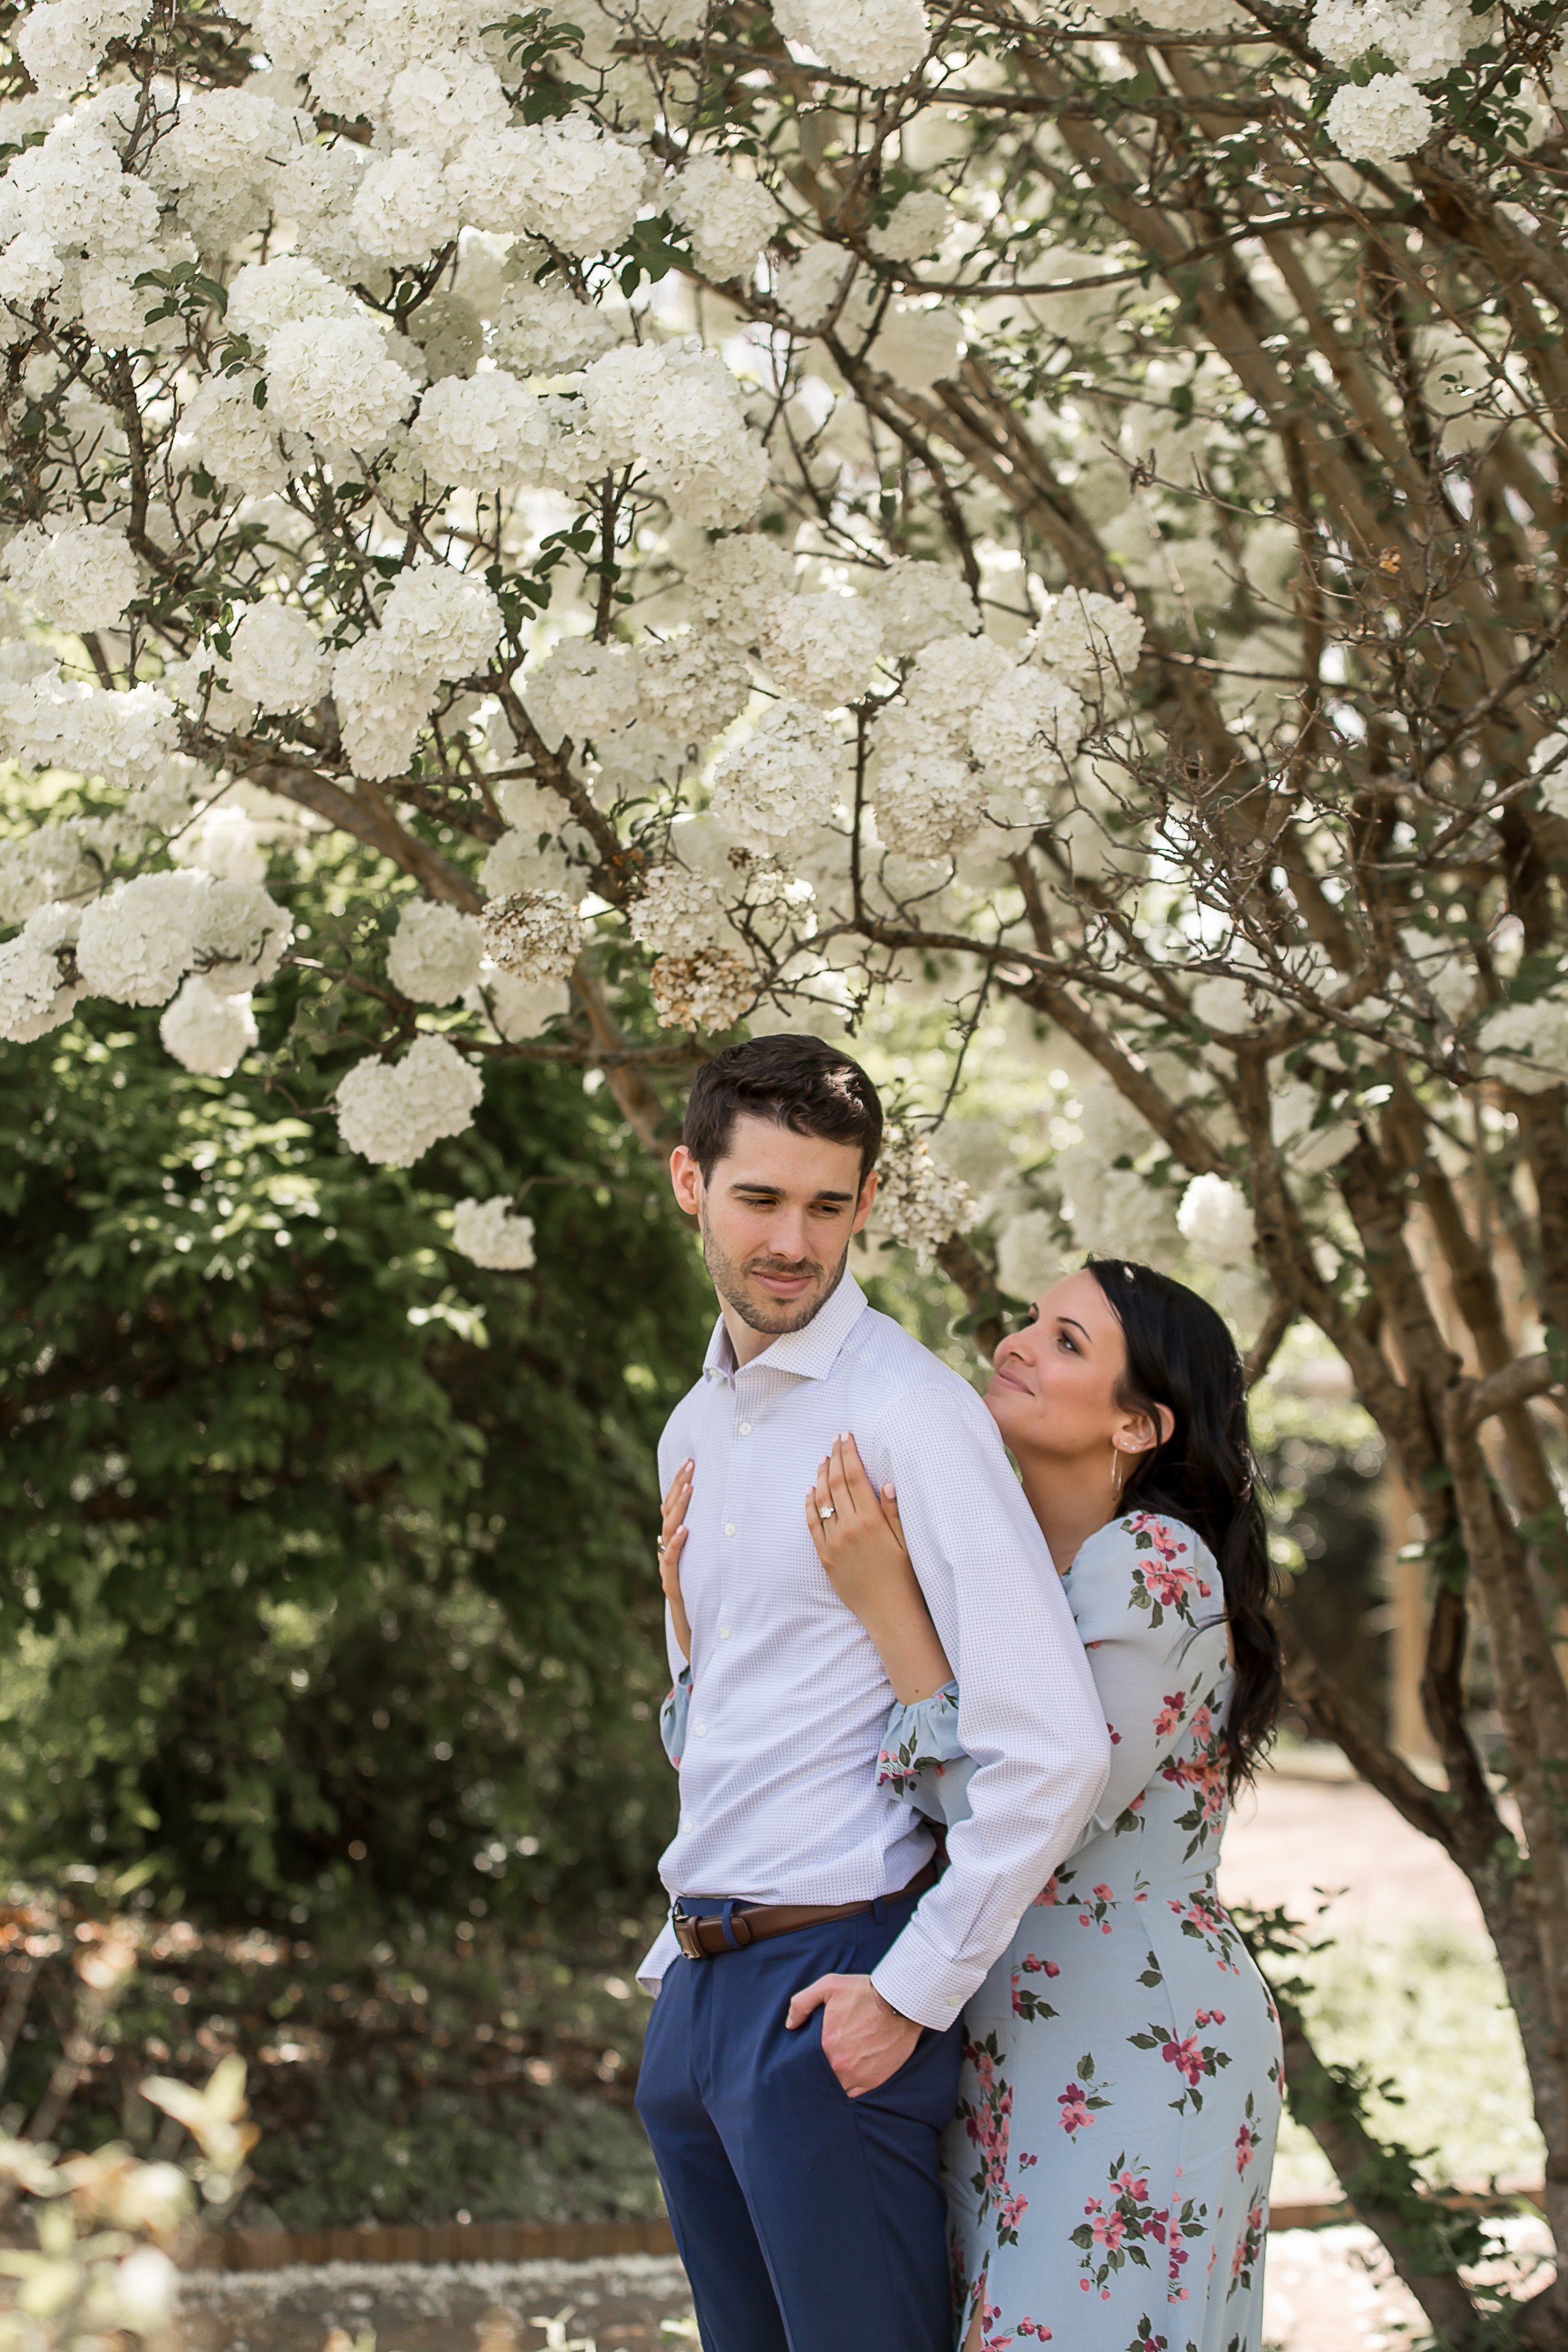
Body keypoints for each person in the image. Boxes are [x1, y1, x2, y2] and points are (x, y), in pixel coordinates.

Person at [632, 1034, 1112, 2352]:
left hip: (834, 1987)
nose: (792, 1239)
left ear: (866, 1200)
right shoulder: (691, 1427)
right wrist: (674, 1990)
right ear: (691, 1181)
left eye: (827, 1205)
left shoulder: (908, 1414)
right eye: (759, 1199)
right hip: (696, 1993)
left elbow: (1053, 1745)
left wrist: (909, 1989)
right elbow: (725, 1714)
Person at [781, 1258, 1287, 2350]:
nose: (1014, 1343)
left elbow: (1038, 1801)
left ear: (1141, 1424)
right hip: (1005, 2046)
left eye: (1066, 1340)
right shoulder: (1008, 1564)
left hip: (1142, 2043)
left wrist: (891, 1615)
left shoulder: (1153, 1562)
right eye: (1028, 1320)